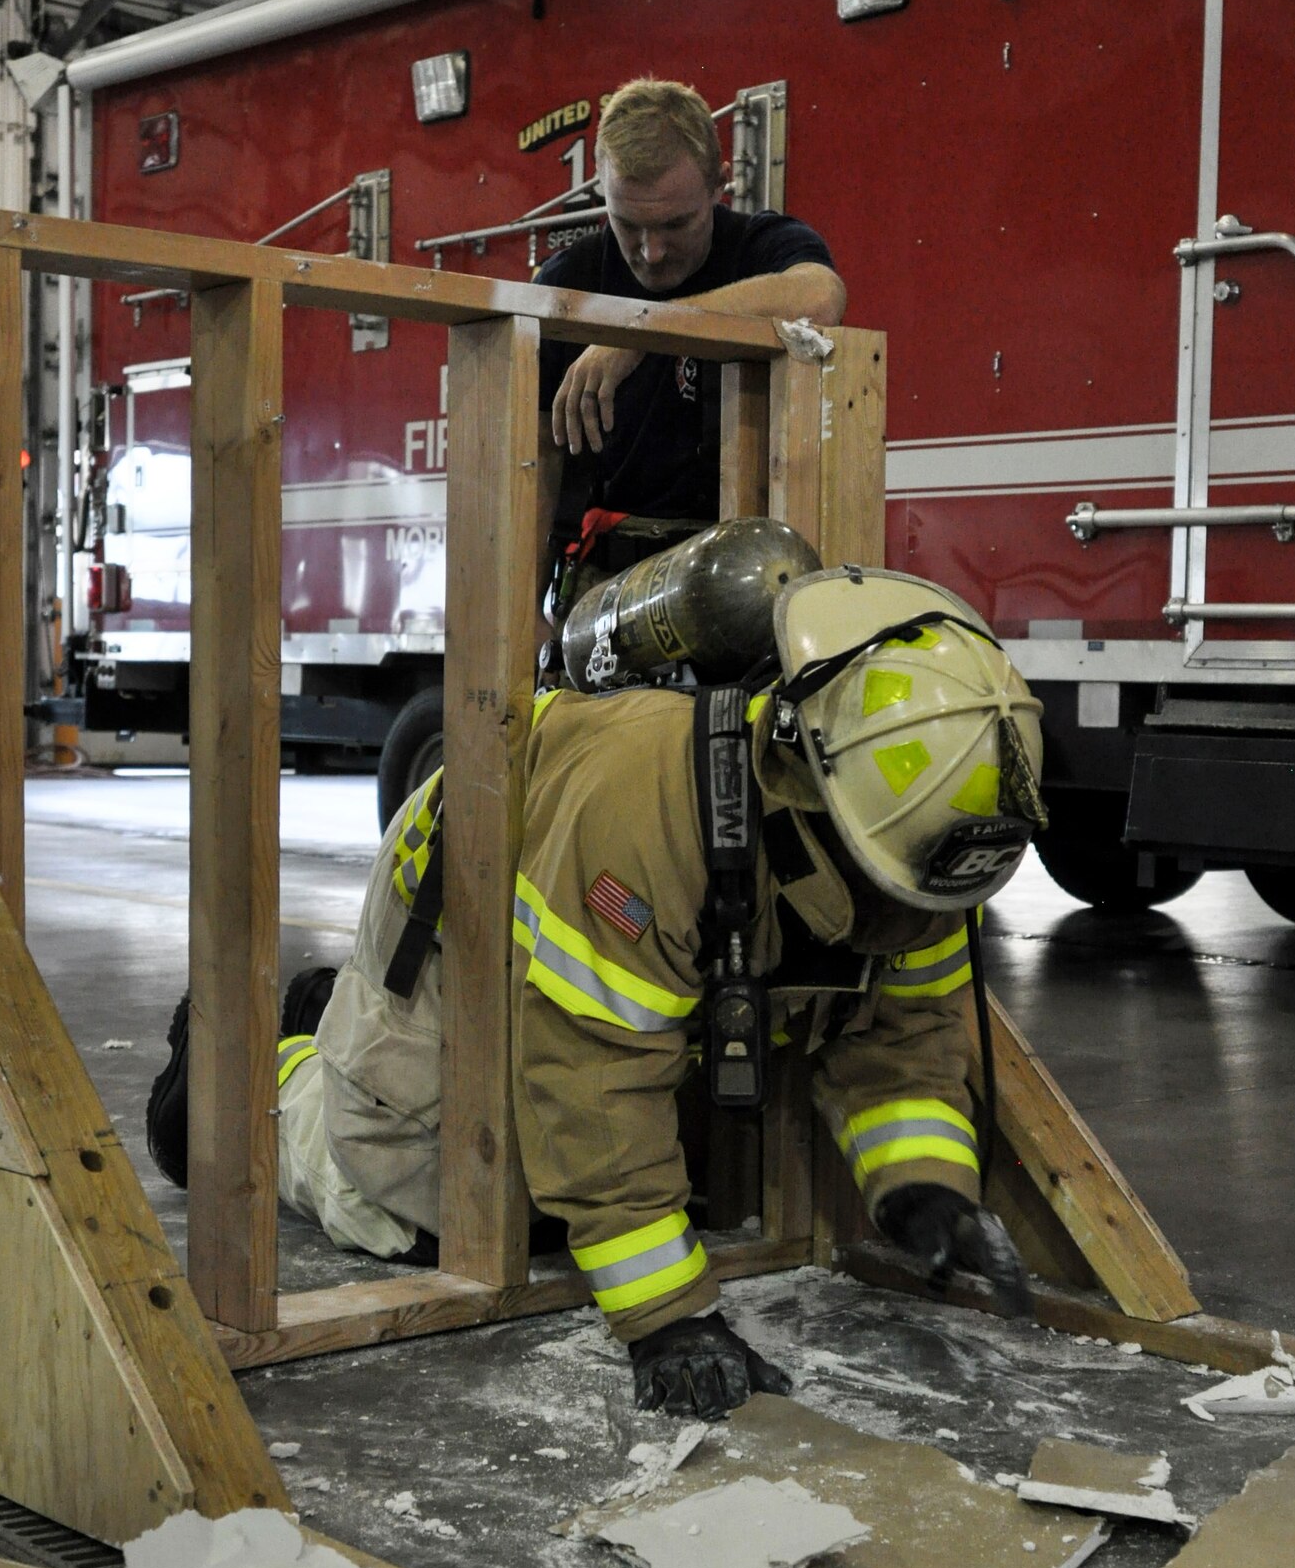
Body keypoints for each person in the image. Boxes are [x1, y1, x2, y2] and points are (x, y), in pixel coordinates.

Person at [148, 564, 1045, 1421]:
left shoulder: (910, 840)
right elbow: (592, 1084)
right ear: (808, 792)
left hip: (591, 929)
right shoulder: (644, 815)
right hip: (464, 926)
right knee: (422, 1204)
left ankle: (330, 1020)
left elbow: (901, 1039)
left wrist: (924, 1188)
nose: (906, 920)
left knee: (624, 1170)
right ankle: (272, 1072)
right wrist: (668, 1317)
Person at [535, 77, 846, 606]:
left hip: (749, 578)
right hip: (608, 589)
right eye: (627, 224)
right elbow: (536, 463)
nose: (651, 252)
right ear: (600, 191)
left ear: (720, 184)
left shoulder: (761, 248)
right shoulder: (568, 284)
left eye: (676, 225)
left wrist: (641, 331)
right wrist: (524, 615)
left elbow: (821, 296)